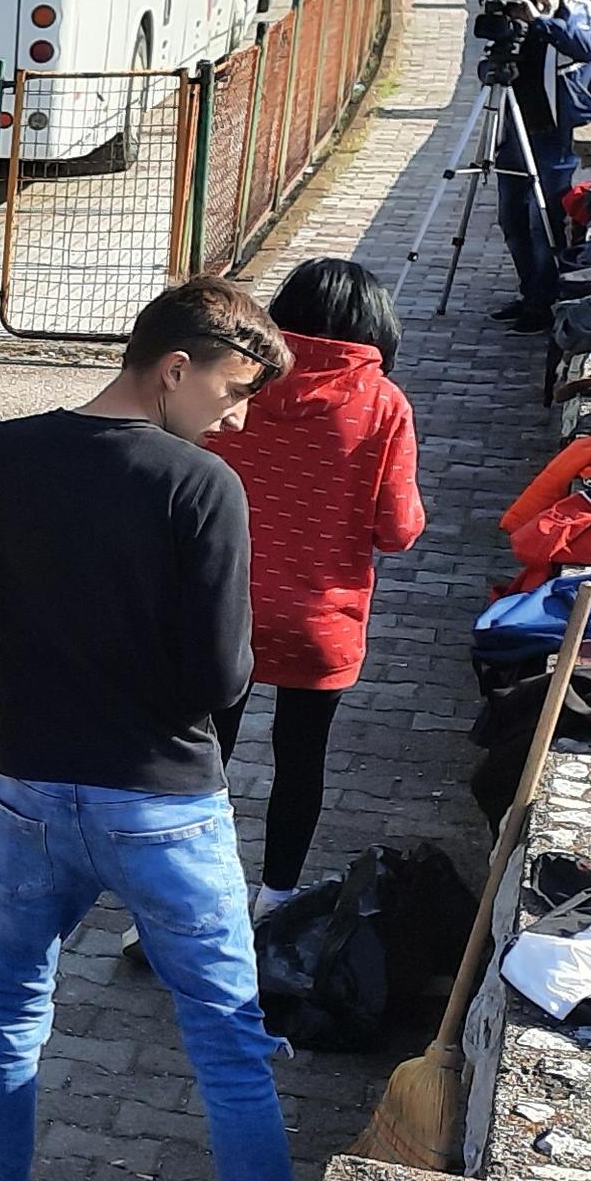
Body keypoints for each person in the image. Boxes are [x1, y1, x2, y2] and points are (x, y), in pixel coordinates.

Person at [0, 277, 304, 1181]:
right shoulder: (202, 487)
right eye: (232, 388)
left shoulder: (1, 451)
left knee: (12, 1015)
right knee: (229, 1053)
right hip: (164, 806)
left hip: (32, 790)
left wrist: (37, 645)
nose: (237, 415)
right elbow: (222, 671)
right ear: (175, 367)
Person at [203, 257, 424, 911]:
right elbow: (397, 530)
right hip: (318, 622)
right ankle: (277, 898)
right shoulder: (384, 404)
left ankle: (186, 898)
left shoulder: (233, 383)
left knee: (202, 759)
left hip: (220, 611)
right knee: (300, 762)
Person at [481, 0, 591, 330]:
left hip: (562, 136)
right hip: (519, 131)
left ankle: (545, 306)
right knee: (512, 218)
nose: (534, 4)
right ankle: (530, 296)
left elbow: (586, 47)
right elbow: (492, 64)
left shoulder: (583, 13)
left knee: (547, 222)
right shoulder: (514, 16)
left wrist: (540, 22)